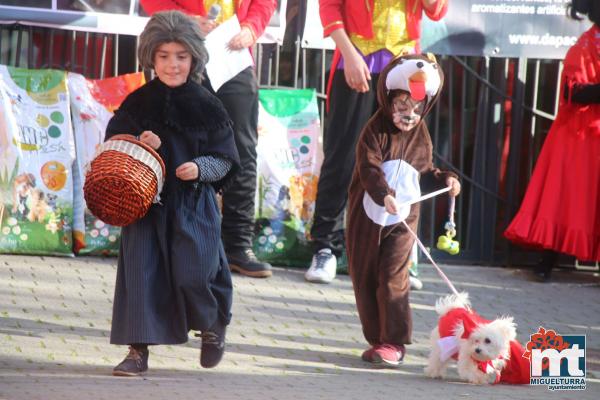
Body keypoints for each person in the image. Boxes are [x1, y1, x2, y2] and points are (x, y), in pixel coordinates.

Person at [104, 10, 241, 376]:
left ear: (194, 57)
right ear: (151, 57)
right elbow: (112, 146)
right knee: (140, 274)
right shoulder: (138, 103)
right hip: (144, 205)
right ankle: (137, 351)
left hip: (192, 205)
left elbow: (226, 158)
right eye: (163, 56)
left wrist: (200, 168)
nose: (172, 64)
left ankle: (212, 325)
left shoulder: (208, 105)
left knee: (193, 273)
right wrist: (137, 143)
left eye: (180, 56)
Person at [305, 0, 449, 283]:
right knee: (343, 159)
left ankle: (397, 253)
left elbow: (436, 10)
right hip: (356, 59)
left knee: (402, 162)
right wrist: (349, 52)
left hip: (407, 68)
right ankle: (325, 247)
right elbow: (329, 7)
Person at [139, 0, 277, 279]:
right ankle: (165, 238)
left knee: (242, 151)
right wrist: (184, 20)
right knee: (171, 142)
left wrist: (251, 28)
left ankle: (238, 245)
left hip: (233, 55)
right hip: (183, 51)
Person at [346, 54, 461, 367]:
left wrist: (446, 179)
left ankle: (394, 342)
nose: (408, 115)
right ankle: (378, 338)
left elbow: (425, 170)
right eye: (402, 107)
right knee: (366, 277)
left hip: (403, 218)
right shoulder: (374, 131)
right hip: (368, 217)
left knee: (394, 276)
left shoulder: (420, 134)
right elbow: (368, 169)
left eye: (415, 109)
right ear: (389, 101)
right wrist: (384, 194)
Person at [504, 0, 600, 281]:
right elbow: (574, 92)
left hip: (587, 134)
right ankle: (547, 261)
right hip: (579, 136)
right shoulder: (584, 46)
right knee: (565, 199)